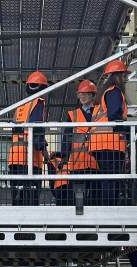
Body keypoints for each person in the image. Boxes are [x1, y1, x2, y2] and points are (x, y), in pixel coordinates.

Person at [91, 59, 129, 205]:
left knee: (108, 177)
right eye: (124, 75)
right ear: (117, 76)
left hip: (102, 143)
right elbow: (114, 115)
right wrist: (127, 130)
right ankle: (109, 206)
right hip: (109, 143)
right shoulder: (114, 92)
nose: (126, 79)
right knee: (111, 178)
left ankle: (108, 205)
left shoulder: (105, 93)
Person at [7, 71, 49, 206]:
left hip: (14, 158)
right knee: (30, 198)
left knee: (16, 196)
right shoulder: (39, 102)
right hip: (30, 160)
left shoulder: (20, 107)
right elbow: (35, 129)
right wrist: (43, 149)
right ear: (43, 88)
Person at [59, 80, 100, 205]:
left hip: (96, 162)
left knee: (95, 197)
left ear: (93, 95)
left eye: (86, 94)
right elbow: (66, 138)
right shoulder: (72, 115)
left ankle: (93, 221)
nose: (82, 97)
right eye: (80, 94)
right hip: (77, 163)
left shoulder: (100, 112)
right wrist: (64, 157)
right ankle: (79, 221)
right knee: (78, 199)